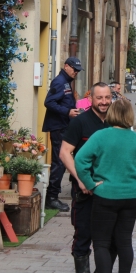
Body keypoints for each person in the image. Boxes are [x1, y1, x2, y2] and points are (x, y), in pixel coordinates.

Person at [75, 98, 136, 273]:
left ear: (111, 114)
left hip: (105, 195)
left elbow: (80, 160)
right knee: (124, 241)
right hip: (131, 196)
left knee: (101, 243)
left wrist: (90, 184)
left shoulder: (100, 136)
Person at [59, 82, 113, 273]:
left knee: (108, 238)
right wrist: (81, 179)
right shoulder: (80, 122)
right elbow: (65, 153)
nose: (104, 102)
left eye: (107, 97)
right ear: (90, 99)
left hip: (108, 191)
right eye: (99, 98)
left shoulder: (115, 121)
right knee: (83, 235)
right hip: (84, 190)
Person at [42, 56, 84, 212]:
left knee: (63, 160)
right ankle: (52, 198)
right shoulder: (60, 81)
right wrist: (67, 112)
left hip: (63, 125)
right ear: (66, 66)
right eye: (74, 69)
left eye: (78, 70)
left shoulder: (66, 81)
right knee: (59, 161)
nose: (76, 73)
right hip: (58, 127)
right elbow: (49, 102)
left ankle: (60, 193)